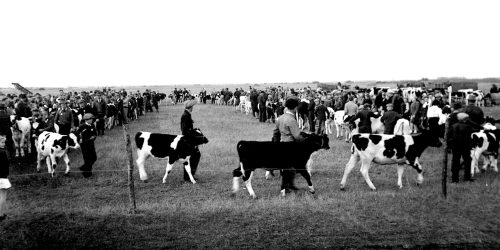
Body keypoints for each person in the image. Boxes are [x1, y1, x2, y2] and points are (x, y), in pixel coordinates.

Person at [272, 97, 305, 193]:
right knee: (290, 168)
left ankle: (288, 185)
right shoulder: (291, 120)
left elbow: (275, 133)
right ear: (295, 108)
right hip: (290, 144)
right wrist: (305, 139)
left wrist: (277, 143)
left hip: (282, 143)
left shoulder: (280, 118)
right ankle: (286, 187)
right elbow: (297, 136)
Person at [447, 113, 473, 183]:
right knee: (467, 161)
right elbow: (469, 138)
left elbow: (448, 137)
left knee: (455, 161)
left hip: (455, 146)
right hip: (465, 146)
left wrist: (449, 146)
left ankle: (454, 178)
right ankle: (467, 177)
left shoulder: (453, 126)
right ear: (464, 119)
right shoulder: (468, 127)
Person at [181, 100, 201, 182]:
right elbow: (185, 130)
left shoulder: (187, 114)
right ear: (190, 107)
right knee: (194, 156)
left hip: (188, 139)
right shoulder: (186, 116)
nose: (193, 108)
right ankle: (188, 176)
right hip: (188, 140)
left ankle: (189, 175)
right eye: (192, 106)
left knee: (193, 157)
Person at [77, 113, 98, 178]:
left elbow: (95, 134)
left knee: (94, 158)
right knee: (87, 159)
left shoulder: (92, 126)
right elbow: (77, 135)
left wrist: (93, 137)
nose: (92, 120)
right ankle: (87, 174)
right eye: (91, 119)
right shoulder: (82, 127)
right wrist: (79, 141)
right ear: (87, 120)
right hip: (84, 146)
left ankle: (83, 167)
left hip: (91, 144)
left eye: (92, 119)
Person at [0, 131, 11, 221]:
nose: (4, 144)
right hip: (2, 176)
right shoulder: (2, 153)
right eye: (2, 142)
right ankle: (1, 214)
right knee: (3, 196)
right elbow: (6, 164)